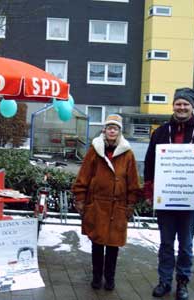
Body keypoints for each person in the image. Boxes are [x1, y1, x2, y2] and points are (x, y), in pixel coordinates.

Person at [143, 87, 194, 300]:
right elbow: (149, 164)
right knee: (166, 244)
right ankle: (164, 281)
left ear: (192, 107)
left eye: (186, 104)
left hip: (190, 200)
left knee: (186, 245)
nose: (182, 107)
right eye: (178, 103)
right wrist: (149, 190)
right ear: (173, 106)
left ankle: (183, 283)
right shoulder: (160, 133)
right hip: (166, 199)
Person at [72, 114, 140, 291]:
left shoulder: (128, 154)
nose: (112, 130)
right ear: (104, 130)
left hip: (118, 207)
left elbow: (133, 182)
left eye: (115, 128)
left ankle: (110, 278)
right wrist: (80, 199)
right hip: (97, 205)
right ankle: (96, 277)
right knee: (97, 243)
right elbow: (83, 176)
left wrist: (131, 204)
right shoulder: (95, 151)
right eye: (109, 127)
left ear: (119, 132)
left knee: (113, 245)